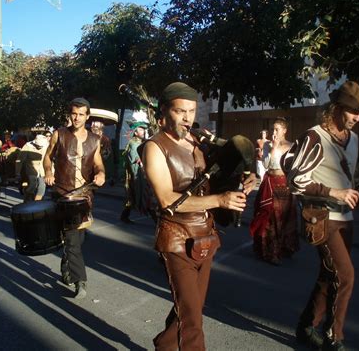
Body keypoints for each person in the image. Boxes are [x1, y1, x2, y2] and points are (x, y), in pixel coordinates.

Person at [141, 82, 256, 350]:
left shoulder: (199, 141)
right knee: (192, 319)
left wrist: (245, 178)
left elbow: (221, 175)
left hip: (205, 235)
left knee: (190, 307)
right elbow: (167, 200)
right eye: (180, 111)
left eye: (191, 111)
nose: (187, 118)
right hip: (177, 239)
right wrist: (220, 200)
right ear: (164, 113)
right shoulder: (154, 148)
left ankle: (165, 346)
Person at [281, 81, 359, 350]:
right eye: (354, 111)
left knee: (328, 275)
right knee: (345, 276)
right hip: (321, 219)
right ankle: (335, 336)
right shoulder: (314, 137)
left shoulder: (355, 141)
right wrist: (334, 192)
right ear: (337, 108)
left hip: (346, 221)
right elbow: (295, 180)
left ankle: (306, 326)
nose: (358, 117)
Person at [44, 97, 105, 298]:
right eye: (74, 113)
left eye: (81, 114)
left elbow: (98, 164)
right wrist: (48, 172)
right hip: (63, 194)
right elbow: (48, 157)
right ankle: (81, 281)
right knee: (72, 240)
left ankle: (66, 267)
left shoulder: (95, 141)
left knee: (79, 238)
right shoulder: (59, 135)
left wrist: (101, 174)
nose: (77, 117)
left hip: (85, 195)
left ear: (87, 116)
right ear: (70, 114)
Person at [250, 118, 299, 266]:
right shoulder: (268, 145)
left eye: (277, 129)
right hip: (270, 181)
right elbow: (265, 164)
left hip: (284, 183)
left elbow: (295, 168)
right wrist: (273, 148)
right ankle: (269, 251)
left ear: (285, 130)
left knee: (284, 216)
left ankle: (284, 247)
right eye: (273, 129)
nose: (274, 132)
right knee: (268, 214)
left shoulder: (292, 146)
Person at [120, 120, 154, 223]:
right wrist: (138, 178)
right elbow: (134, 163)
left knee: (134, 197)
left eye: (144, 129)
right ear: (135, 132)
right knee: (143, 196)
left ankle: (124, 216)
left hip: (140, 175)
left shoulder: (140, 143)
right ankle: (156, 221)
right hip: (137, 175)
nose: (143, 131)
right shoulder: (134, 145)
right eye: (141, 129)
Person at [16, 134, 49, 202]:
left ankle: (37, 203)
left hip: (42, 170)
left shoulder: (46, 146)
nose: (40, 147)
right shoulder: (27, 146)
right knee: (32, 185)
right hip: (30, 169)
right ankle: (27, 201)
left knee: (42, 187)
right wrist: (17, 172)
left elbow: (49, 159)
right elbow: (20, 160)